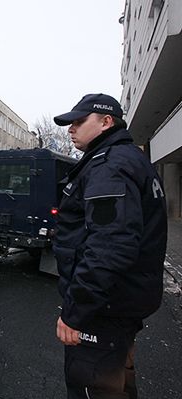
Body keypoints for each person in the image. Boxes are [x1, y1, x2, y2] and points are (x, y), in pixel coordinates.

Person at [52, 93, 167, 399]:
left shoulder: (109, 166)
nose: (70, 129)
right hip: (119, 303)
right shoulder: (128, 159)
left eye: (78, 121)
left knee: (94, 385)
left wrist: (75, 312)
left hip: (104, 309)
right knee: (118, 380)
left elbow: (109, 246)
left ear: (106, 122)